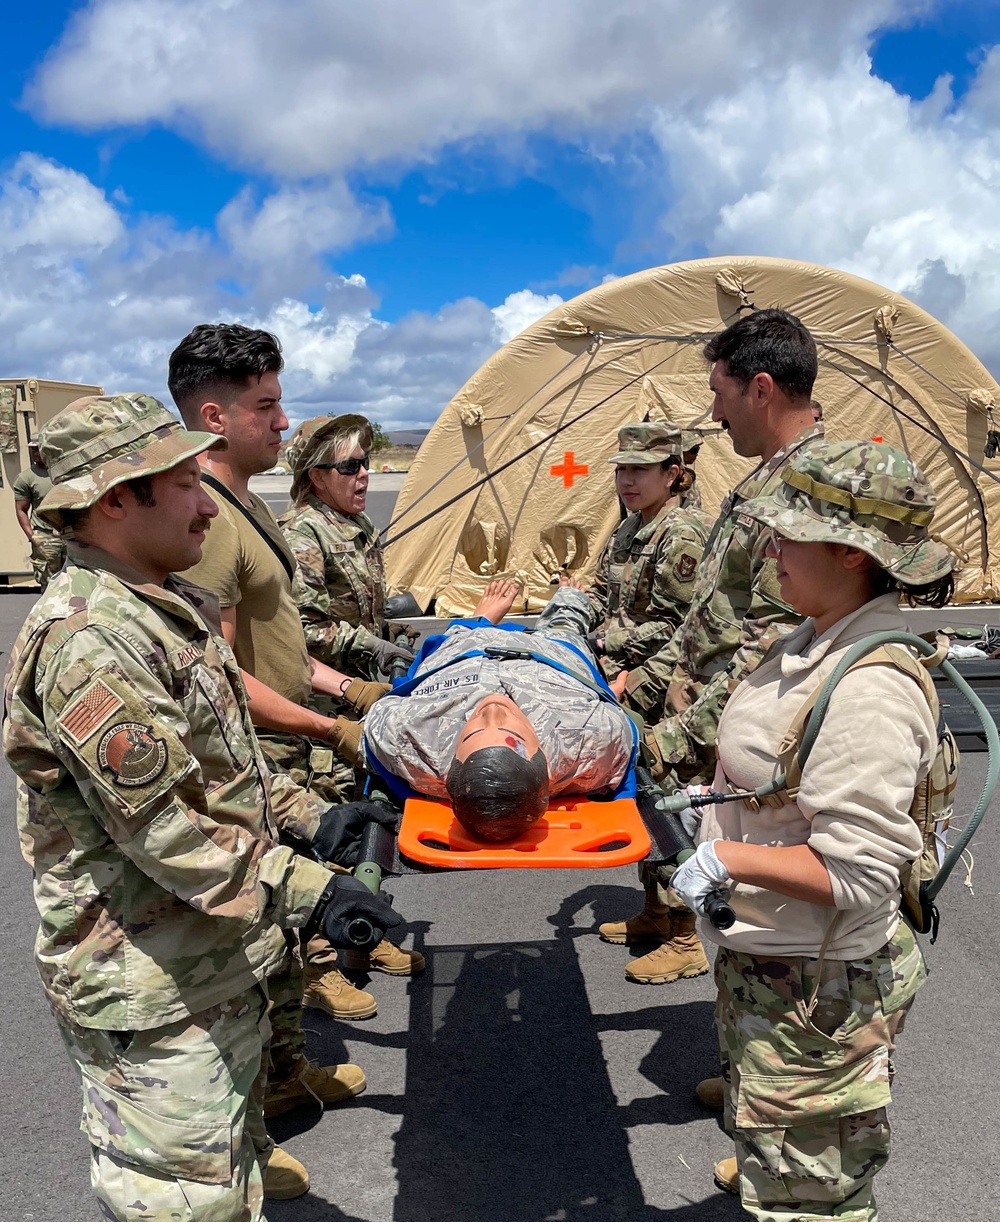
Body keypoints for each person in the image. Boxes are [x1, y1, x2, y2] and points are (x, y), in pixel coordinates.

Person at [2, 392, 402, 1222]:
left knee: (222, 1170)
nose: (207, 494)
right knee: (174, 1209)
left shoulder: (160, 607)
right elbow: (168, 834)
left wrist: (308, 823)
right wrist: (308, 886)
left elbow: (220, 774)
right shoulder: (86, 639)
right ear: (114, 502)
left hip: (204, 959)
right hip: (144, 972)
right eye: (182, 481)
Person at [669, 438, 954, 1222]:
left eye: (788, 527)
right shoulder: (815, 638)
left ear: (847, 547)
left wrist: (723, 854)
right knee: (782, 1154)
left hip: (820, 983)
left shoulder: (873, 684)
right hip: (775, 964)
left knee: (822, 1183)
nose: (768, 542)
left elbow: (862, 874)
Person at [168, 323, 422, 1034]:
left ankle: (287, 1069)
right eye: (266, 406)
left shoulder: (248, 509)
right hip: (260, 755)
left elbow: (281, 643)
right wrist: (327, 725)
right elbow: (213, 681)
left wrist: (351, 692)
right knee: (273, 918)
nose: (283, 421)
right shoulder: (213, 522)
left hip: (292, 738)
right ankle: (286, 1056)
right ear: (214, 417)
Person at [600, 309, 824, 986]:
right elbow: (711, 619)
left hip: (750, 727)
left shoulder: (805, 490)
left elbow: (775, 644)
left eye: (719, 392)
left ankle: (775, 1072)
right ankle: (750, 1058)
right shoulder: (763, 483)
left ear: (759, 390)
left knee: (758, 885)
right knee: (696, 837)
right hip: (706, 708)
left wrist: (680, 733)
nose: (714, 413)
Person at [359, 577, 636, 838]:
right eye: (509, 731)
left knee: (459, 636)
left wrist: (476, 628)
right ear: (542, 758)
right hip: (551, 658)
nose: (491, 710)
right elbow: (617, 725)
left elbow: (378, 718)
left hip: (466, 652)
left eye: (469, 735)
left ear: (452, 762)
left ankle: (480, 621)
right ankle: (567, 601)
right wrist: (591, 697)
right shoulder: (588, 737)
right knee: (568, 617)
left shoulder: (408, 738)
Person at [281, 413, 407, 680]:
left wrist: (383, 630)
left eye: (364, 463)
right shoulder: (303, 533)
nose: (363, 474)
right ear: (318, 477)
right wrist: (371, 645)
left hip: (358, 685)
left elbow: (348, 610)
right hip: (325, 701)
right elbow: (305, 633)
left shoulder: (358, 523)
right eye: (350, 466)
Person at [587, 423, 709, 676]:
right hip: (608, 657)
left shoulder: (680, 534)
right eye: (621, 470)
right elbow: (601, 592)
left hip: (646, 671)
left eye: (640, 470)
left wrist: (600, 643)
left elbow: (674, 628)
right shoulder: (629, 526)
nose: (627, 481)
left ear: (670, 474)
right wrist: (568, 620)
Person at [13, 442, 65, 586]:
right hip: (45, 536)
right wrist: (32, 536)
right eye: (32, 449)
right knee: (49, 583)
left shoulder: (64, 472)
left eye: (37, 448)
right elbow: (21, 509)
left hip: (71, 534)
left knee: (76, 579)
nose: (34, 452)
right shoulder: (25, 478)